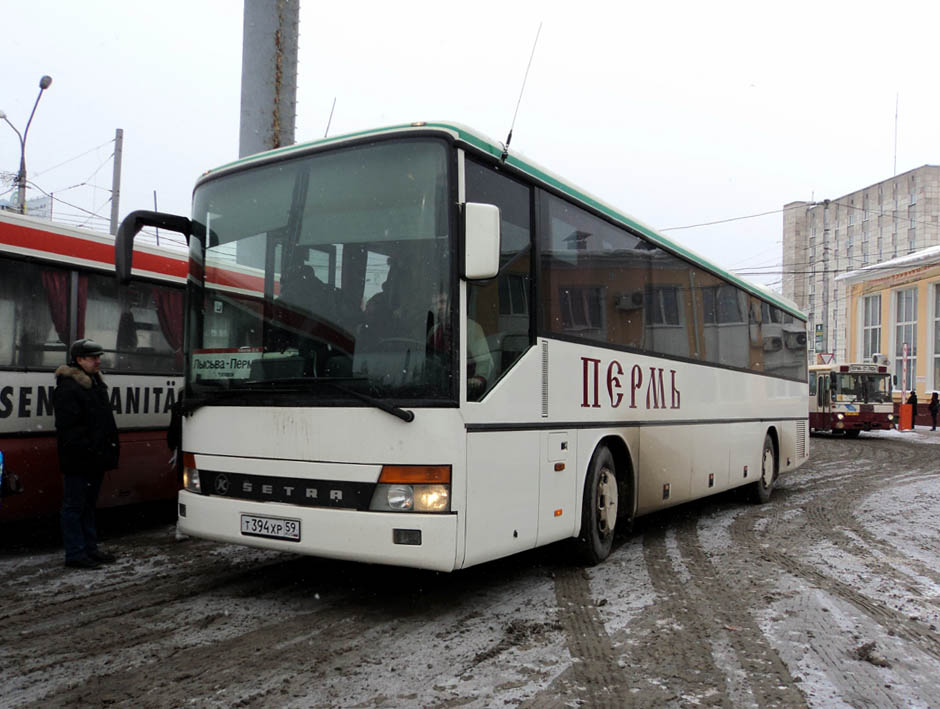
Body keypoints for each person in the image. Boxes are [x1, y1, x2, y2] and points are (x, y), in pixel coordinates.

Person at [53, 338, 120, 569]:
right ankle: (75, 553)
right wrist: (90, 449)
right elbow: (69, 429)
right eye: (93, 358)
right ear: (79, 360)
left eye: (99, 357)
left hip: (93, 457)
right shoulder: (69, 387)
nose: (98, 361)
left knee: (88, 505)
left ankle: (89, 549)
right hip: (80, 459)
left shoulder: (93, 383)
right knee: (74, 506)